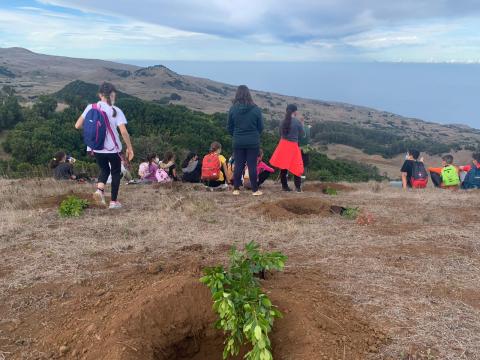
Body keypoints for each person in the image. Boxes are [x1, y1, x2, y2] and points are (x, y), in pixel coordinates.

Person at [75, 82, 134, 209]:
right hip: (113, 149)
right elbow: (123, 131)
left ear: (100, 94)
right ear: (113, 95)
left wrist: (93, 130)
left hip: (96, 147)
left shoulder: (91, 107)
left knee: (104, 169)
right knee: (116, 172)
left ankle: (99, 191)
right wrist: (129, 148)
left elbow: (77, 125)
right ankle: (113, 202)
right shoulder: (116, 110)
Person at [227, 85, 264, 196]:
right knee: (252, 165)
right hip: (253, 142)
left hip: (238, 141)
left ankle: (236, 189)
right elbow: (261, 127)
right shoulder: (256, 109)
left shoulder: (233, 109)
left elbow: (229, 127)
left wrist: (236, 135)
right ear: (249, 94)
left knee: (239, 165)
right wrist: (255, 135)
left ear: (237, 94)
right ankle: (255, 190)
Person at [270, 104, 305, 192]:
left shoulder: (282, 121)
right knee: (297, 166)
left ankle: (284, 186)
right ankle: (297, 187)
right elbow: (302, 134)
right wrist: (302, 124)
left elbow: (280, 133)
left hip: (283, 145)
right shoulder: (297, 122)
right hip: (293, 146)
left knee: (283, 166)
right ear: (295, 112)